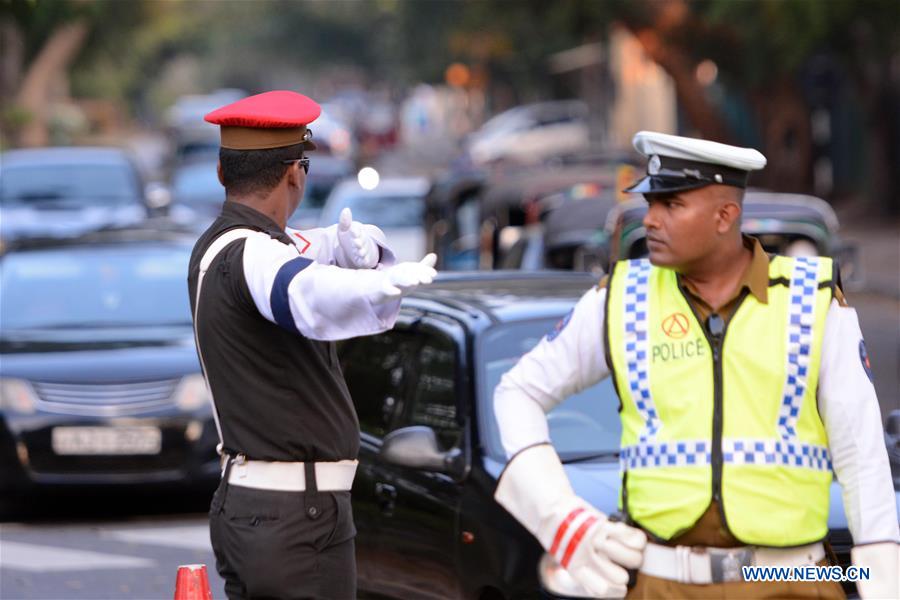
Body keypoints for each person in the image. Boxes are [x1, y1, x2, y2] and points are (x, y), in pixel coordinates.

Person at [492, 131, 899, 599]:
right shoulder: (619, 299)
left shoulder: (813, 301)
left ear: (726, 215)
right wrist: (562, 520)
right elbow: (516, 392)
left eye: (672, 206)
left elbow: (862, 457)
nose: (652, 221)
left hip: (791, 581)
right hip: (661, 584)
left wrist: (882, 587)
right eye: (650, 205)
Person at [187, 90, 437, 600]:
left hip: (268, 512)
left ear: (221, 172)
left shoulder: (228, 244)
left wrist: (359, 245)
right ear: (296, 173)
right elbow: (302, 292)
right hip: (295, 520)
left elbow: (309, 247)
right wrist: (372, 286)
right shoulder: (252, 254)